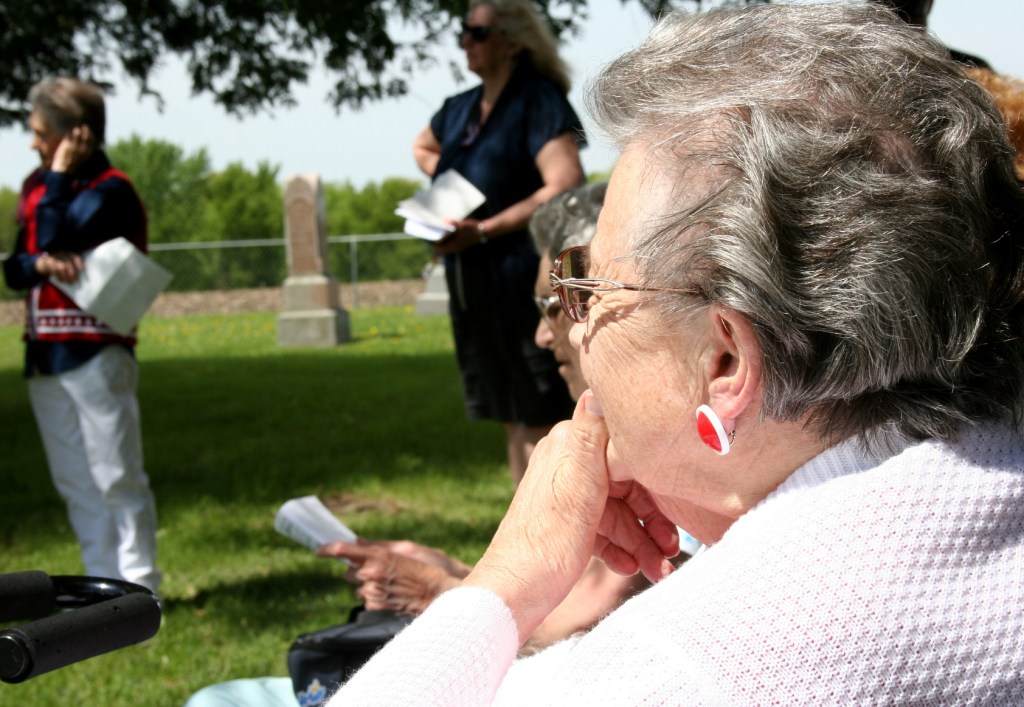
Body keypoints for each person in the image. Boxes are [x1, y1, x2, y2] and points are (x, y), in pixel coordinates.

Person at [332, 4, 1024, 704]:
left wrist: (507, 580)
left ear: (726, 364)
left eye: (588, 286)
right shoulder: (995, 467)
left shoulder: (690, 667)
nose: (572, 331)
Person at [182, 183, 660, 707]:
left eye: (558, 301)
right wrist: (446, 570)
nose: (546, 336)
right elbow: (564, 589)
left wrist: (435, 591)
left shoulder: (655, 442)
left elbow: (601, 610)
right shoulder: (611, 435)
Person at [413, 0, 586, 485]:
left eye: (478, 32)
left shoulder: (538, 99)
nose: (466, 40)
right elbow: (421, 147)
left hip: (522, 276)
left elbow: (564, 181)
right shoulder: (459, 109)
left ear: (512, 42)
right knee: (510, 413)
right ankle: (528, 530)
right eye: (463, 31)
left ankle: (566, 542)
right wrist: (457, 191)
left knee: (541, 414)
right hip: (474, 285)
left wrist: (486, 226)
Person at [2, 78, 161, 593]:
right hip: (44, 350)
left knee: (118, 475)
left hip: (95, 350)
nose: (33, 143)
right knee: (75, 481)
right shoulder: (36, 185)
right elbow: (19, 267)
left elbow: (52, 238)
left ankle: (141, 585)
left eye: (42, 132)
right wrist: (40, 259)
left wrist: (59, 179)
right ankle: (102, 583)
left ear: (77, 135)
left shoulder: (110, 189)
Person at [871, 0, 992, 68]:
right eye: (889, 4)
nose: (904, 18)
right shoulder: (855, 65)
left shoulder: (970, 68)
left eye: (917, 5)